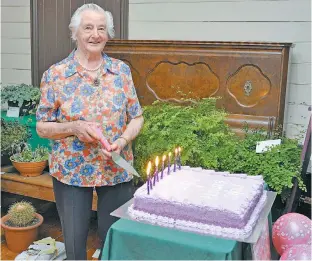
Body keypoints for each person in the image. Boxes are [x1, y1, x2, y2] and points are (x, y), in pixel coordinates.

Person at [36, 4, 144, 260]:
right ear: (75, 33)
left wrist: (122, 139)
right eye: (88, 28)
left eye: (101, 28)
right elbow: (42, 126)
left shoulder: (121, 71)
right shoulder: (56, 75)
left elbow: (137, 117)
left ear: (108, 34)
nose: (95, 34)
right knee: (74, 243)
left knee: (114, 237)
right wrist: (73, 127)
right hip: (72, 170)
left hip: (115, 167)